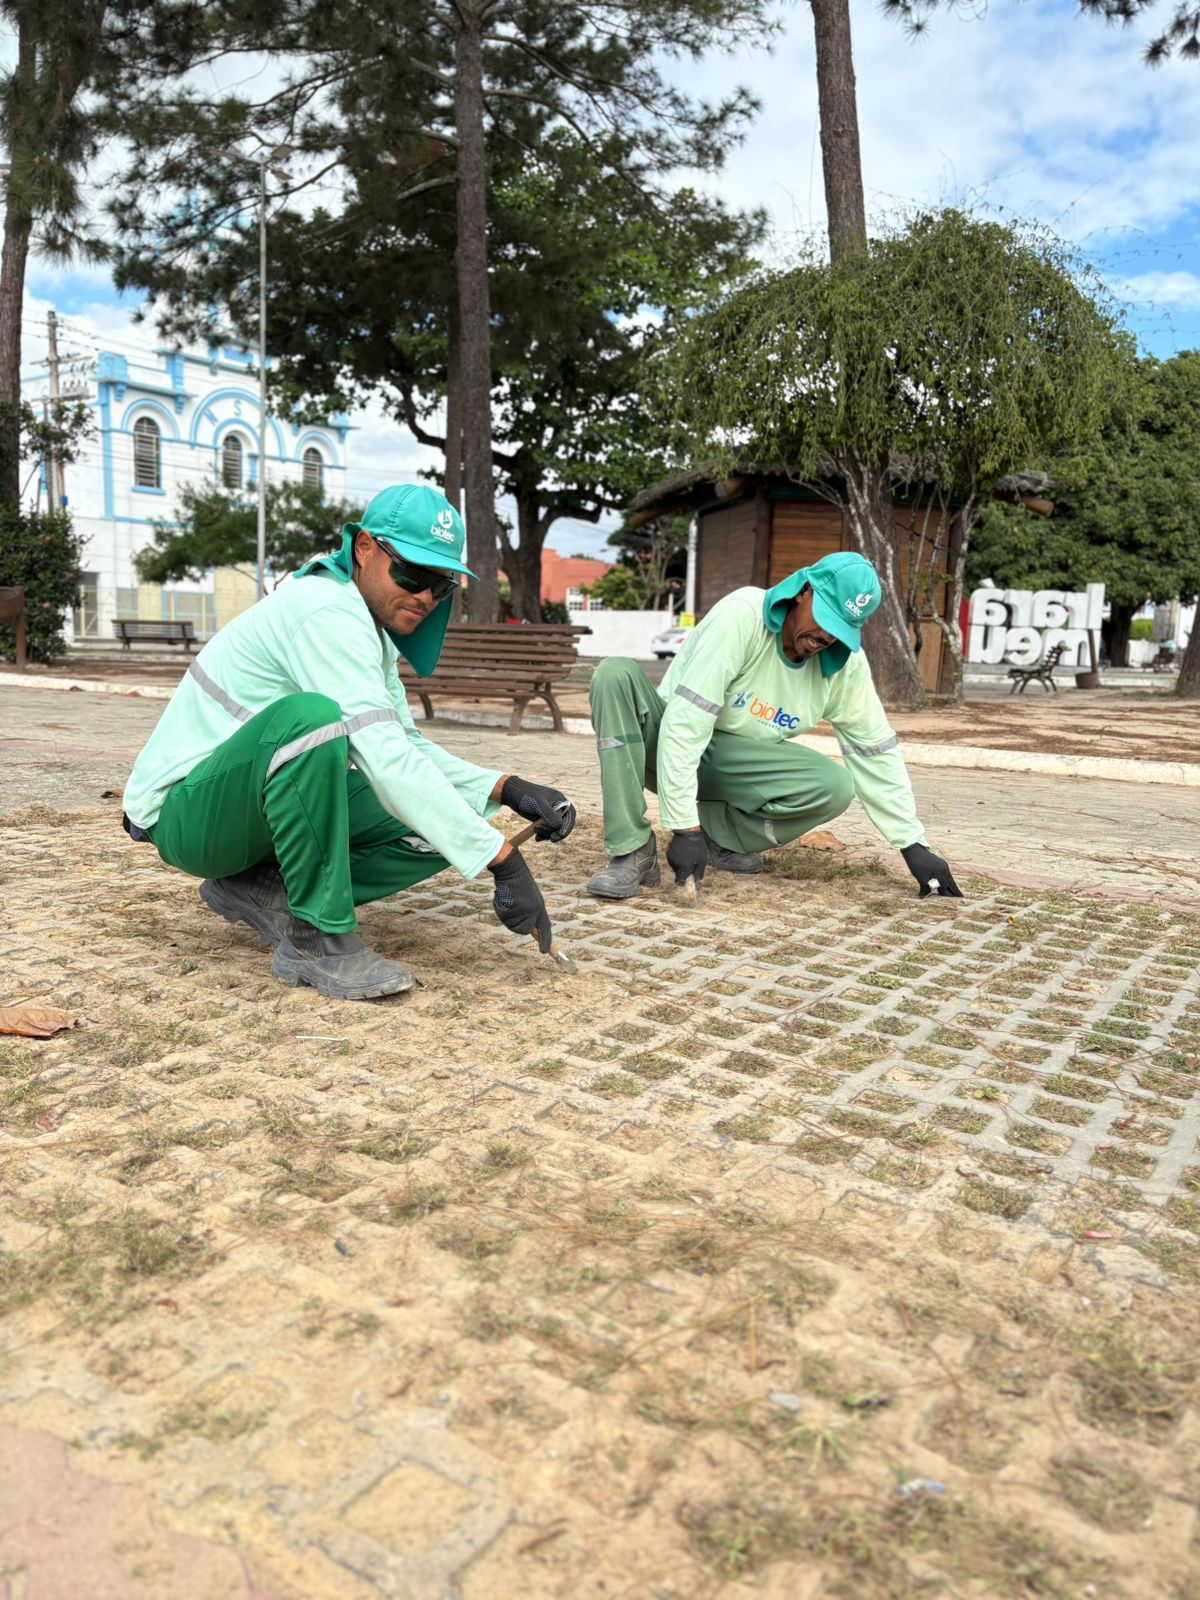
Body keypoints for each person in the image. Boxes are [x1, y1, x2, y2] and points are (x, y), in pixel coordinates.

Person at [121, 485, 576, 1001]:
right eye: (412, 574)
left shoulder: (365, 623)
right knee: (312, 721)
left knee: (450, 818)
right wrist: (502, 862)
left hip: (244, 808)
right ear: (364, 549)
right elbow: (383, 757)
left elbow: (403, 744)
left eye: (441, 586)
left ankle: (260, 890)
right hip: (186, 814)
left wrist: (507, 788)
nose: (425, 597)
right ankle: (318, 938)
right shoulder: (324, 611)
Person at [585, 551, 961, 902]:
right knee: (615, 674)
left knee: (835, 786)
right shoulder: (742, 615)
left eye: (841, 630)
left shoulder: (844, 664)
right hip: (665, 746)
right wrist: (684, 828)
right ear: (804, 591)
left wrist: (911, 843)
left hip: (733, 766)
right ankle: (632, 850)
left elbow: (873, 747)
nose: (825, 638)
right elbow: (686, 722)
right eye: (825, 619)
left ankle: (723, 836)